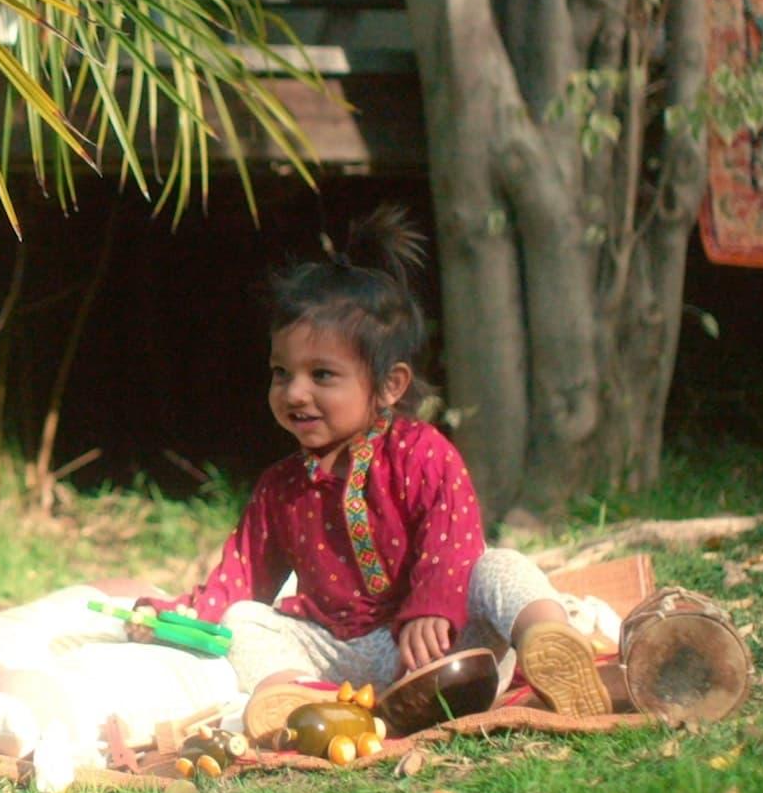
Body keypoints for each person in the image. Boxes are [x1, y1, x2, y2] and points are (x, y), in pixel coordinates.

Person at [134, 206, 611, 738]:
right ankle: (298, 703)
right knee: (243, 622)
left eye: (322, 375)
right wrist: (175, 617)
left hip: (441, 651)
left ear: (389, 386)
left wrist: (432, 606)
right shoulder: (279, 488)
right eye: (280, 373)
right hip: (340, 655)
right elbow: (240, 576)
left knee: (499, 566)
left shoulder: (420, 452)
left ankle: (552, 647)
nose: (294, 393)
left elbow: (454, 536)